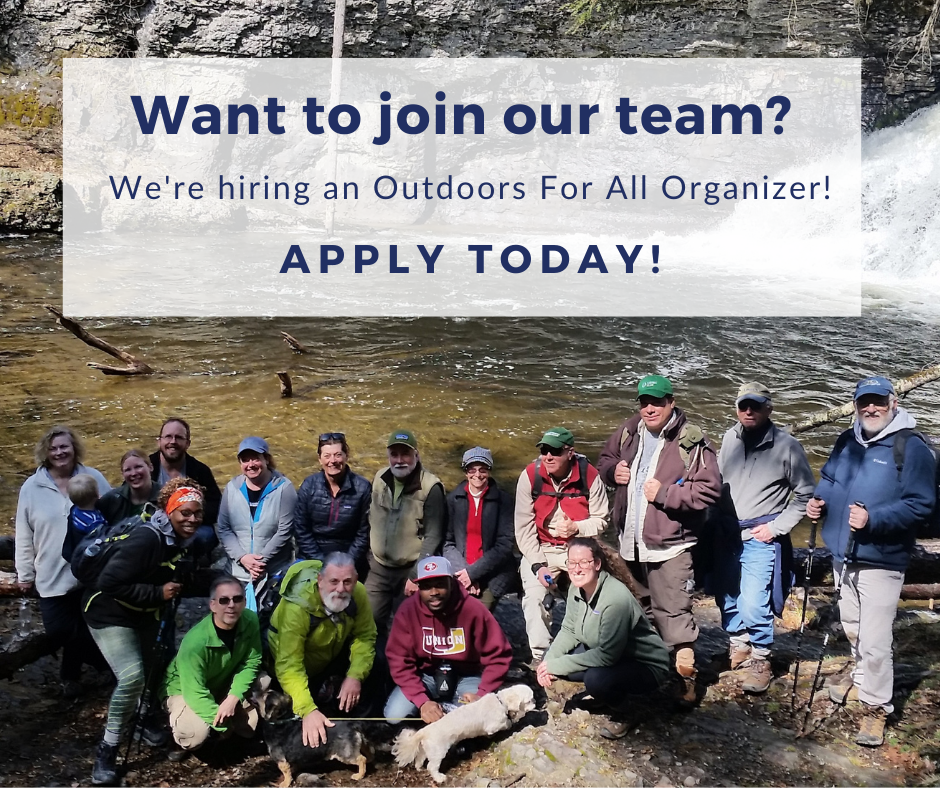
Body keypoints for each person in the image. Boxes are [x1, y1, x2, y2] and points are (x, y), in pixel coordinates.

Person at [806, 376, 935, 747]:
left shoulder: (911, 447)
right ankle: (861, 678)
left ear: (894, 403)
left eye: (878, 401)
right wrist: (818, 502)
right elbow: (830, 478)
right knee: (851, 624)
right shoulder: (848, 439)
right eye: (865, 402)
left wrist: (873, 520)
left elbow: (921, 504)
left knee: (876, 639)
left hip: (883, 558)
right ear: (856, 405)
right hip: (842, 552)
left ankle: (877, 707)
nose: (871, 408)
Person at [597, 375, 721, 701]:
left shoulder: (692, 440)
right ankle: (651, 672)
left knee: (675, 614)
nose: (649, 408)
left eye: (657, 402)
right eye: (644, 402)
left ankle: (686, 682)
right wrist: (613, 472)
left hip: (670, 546)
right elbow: (605, 460)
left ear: (671, 402)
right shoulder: (629, 430)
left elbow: (709, 490)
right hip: (631, 542)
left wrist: (665, 494)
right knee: (639, 611)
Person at [85, 477, 203, 786]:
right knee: (132, 677)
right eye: (185, 513)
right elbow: (108, 582)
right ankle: (107, 751)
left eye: (197, 513)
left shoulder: (184, 541)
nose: (192, 519)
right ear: (169, 511)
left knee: (157, 666)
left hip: (145, 613)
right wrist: (157, 593)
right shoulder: (147, 538)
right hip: (108, 612)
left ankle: (145, 719)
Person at [712, 383, 816, 694]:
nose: (748, 411)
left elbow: (806, 494)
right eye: (743, 406)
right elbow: (717, 481)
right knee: (727, 596)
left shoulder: (787, 446)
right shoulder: (729, 438)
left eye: (755, 406)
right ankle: (739, 645)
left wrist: (777, 527)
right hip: (727, 533)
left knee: (754, 602)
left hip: (761, 536)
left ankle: (761, 657)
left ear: (768, 409)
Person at [536, 537, 672, 739]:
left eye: (584, 562)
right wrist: (548, 663)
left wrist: (557, 665)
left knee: (596, 679)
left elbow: (607, 655)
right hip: (611, 653)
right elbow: (569, 630)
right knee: (554, 658)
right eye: (572, 563)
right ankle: (606, 696)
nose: (577, 569)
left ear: (597, 564)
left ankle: (626, 711)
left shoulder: (615, 598)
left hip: (645, 664)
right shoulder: (576, 588)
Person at [15, 425, 112, 698]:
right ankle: (105, 665)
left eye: (64, 447)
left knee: (88, 628)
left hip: (91, 574)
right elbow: (23, 533)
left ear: (74, 448)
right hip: (51, 575)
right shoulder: (32, 487)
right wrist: (24, 573)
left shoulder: (92, 477)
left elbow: (114, 512)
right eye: (54, 448)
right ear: (46, 452)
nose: (59, 452)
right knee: (60, 630)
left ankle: (70, 678)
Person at [514, 426, 609, 664]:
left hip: (579, 548)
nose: (548, 456)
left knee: (595, 595)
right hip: (541, 547)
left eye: (555, 451)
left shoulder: (590, 476)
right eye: (544, 450)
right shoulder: (530, 476)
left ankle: (593, 649)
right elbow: (523, 529)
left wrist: (578, 528)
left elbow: (602, 520)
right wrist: (538, 565)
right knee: (534, 597)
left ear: (570, 453)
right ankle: (541, 657)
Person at [384, 555, 513, 722]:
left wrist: (482, 694)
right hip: (426, 676)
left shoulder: (473, 609)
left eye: (440, 585)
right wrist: (422, 701)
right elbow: (398, 660)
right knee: (395, 717)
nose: (434, 592)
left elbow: (499, 655)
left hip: (466, 676)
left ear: (451, 582)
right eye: (426, 587)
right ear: (419, 588)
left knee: (476, 717)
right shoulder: (407, 611)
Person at [269, 553, 378, 748]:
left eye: (347, 582)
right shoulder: (296, 608)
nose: (341, 589)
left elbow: (365, 636)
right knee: (301, 716)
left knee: (378, 662)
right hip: (297, 667)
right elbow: (289, 665)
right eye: (334, 581)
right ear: (320, 580)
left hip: (331, 653)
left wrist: (355, 676)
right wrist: (307, 709)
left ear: (356, 580)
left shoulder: (358, 593)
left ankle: (362, 729)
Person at [161, 574, 262, 760]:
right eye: (224, 600)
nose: (231, 605)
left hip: (220, 681)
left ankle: (232, 729)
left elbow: (251, 662)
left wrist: (233, 698)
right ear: (213, 605)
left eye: (237, 599)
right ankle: (177, 734)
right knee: (195, 734)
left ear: (244, 602)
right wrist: (225, 726)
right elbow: (195, 693)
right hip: (184, 689)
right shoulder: (195, 643)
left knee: (262, 687)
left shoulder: (250, 620)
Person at [366, 429, 446, 637]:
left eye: (405, 454)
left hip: (408, 570)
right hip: (378, 568)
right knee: (369, 623)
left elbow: (434, 536)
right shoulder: (380, 478)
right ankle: (377, 657)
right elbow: (371, 518)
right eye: (394, 454)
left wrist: (416, 576)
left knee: (408, 628)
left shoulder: (431, 487)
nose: (400, 460)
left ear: (416, 455)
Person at [216, 437, 297, 611]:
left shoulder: (284, 488)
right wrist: (242, 558)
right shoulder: (232, 488)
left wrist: (260, 562)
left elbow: (285, 530)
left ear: (266, 459)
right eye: (245, 460)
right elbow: (223, 528)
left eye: (256, 458)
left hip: (272, 570)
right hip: (237, 570)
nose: (251, 464)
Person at [443, 447, 517, 610]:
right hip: (460, 571)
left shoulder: (504, 501)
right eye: (472, 469)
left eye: (483, 469)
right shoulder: (452, 500)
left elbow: (504, 546)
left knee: (479, 613)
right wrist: (465, 575)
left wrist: (473, 574)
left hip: (493, 574)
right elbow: (447, 543)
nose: (477, 475)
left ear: (489, 471)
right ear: (465, 472)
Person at [293, 432, 372, 579]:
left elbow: (363, 534)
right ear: (319, 459)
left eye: (338, 455)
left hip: (349, 558)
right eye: (327, 456)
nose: (332, 461)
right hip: (312, 558)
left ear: (346, 456)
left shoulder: (362, 488)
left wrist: (345, 565)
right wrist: (322, 564)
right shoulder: (309, 486)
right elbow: (301, 530)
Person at [150, 417, 222, 555]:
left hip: (190, 525)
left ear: (187, 443)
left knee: (206, 536)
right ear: (159, 441)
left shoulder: (200, 470)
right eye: (168, 436)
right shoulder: (146, 467)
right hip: (156, 523)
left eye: (179, 437)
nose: (173, 441)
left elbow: (216, 505)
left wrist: (190, 515)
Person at [98, 449, 160, 525]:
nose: (133, 473)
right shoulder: (111, 500)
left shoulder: (165, 497)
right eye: (128, 470)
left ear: (151, 467)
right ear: (122, 474)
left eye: (138, 467)